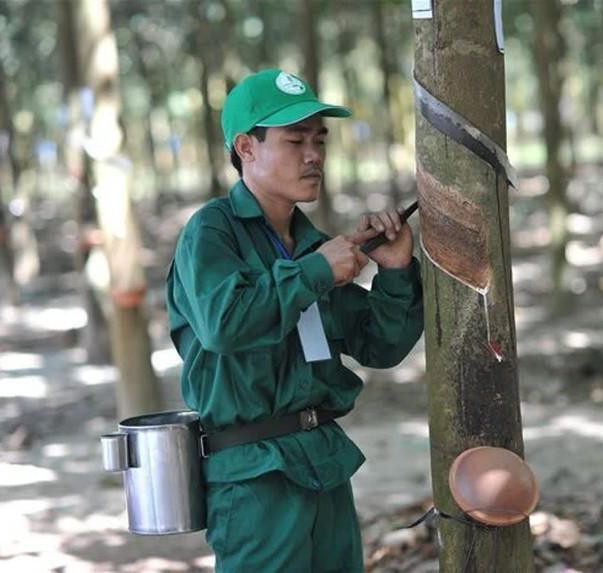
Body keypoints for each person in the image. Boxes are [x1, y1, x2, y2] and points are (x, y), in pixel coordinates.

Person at [166, 69, 423, 572]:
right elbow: (224, 324)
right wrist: (314, 271)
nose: (314, 154)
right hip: (254, 476)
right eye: (295, 140)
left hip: (322, 462)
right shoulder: (212, 232)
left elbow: (380, 346)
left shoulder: (312, 244)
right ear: (247, 147)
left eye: (320, 140)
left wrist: (394, 272)